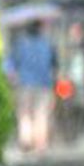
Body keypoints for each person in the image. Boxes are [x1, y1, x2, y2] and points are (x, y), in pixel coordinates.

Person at [6, 21, 59, 153]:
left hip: (24, 83)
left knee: (24, 114)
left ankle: (26, 140)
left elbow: (11, 64)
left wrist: (12, 77)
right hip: (44, 84)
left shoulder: (20, 45)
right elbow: (54, 64)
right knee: (41, 114)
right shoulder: (47, 44)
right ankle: (40, 143)